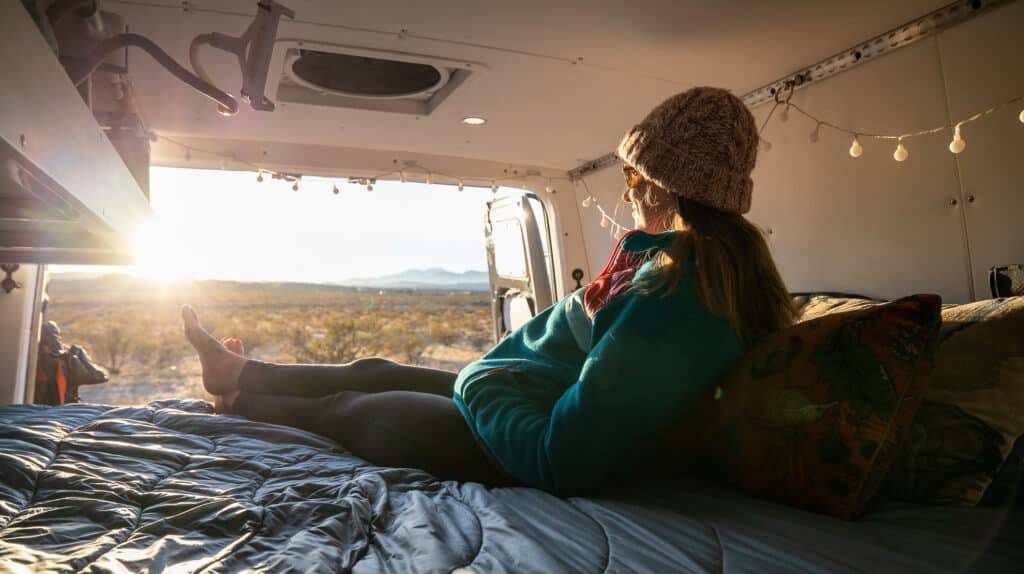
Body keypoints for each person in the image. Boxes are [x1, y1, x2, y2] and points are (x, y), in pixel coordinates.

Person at [183, 86, 794, 495]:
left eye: (635, 174)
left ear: (671, 185)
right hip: (523, 394)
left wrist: (477, 380)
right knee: (374, 366)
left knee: (351, 410)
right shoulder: (670, 266)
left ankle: (238, 403)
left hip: (515, 438)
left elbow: (565, 457)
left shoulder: (679, 299)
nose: (627, 190)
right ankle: (243, 372)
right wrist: (495, 376)